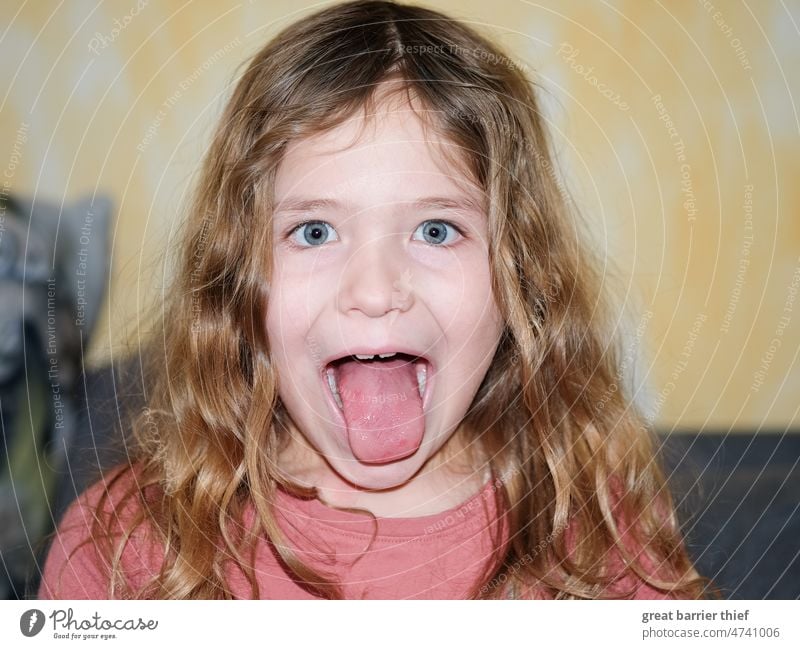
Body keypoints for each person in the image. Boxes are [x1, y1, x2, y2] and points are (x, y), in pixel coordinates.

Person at [38, 0, 711, 600]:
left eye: (436, 229)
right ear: (236, 275)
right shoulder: (124, 547)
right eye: (314, 231)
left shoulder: (598, 541)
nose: (375, 290)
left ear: (518, 274)